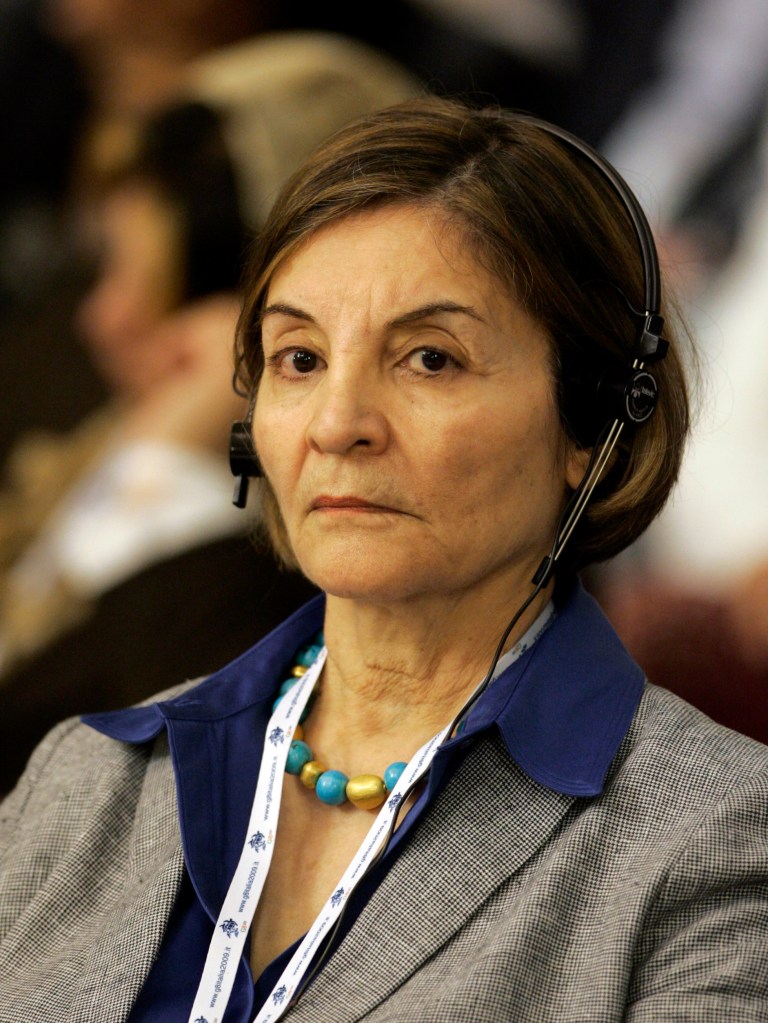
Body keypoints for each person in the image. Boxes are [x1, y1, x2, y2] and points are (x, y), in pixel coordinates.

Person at [1, 96, 767, 1022]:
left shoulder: (717, 837)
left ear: (596, 423)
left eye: (430, 359)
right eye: (298, 359)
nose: (337, 425)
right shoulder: (84, 780)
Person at [0, 30, 419, 793]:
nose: (102, 318)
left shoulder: (288, 584)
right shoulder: (74, 436)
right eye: (106, 269)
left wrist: (165, 471)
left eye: (143, 281)